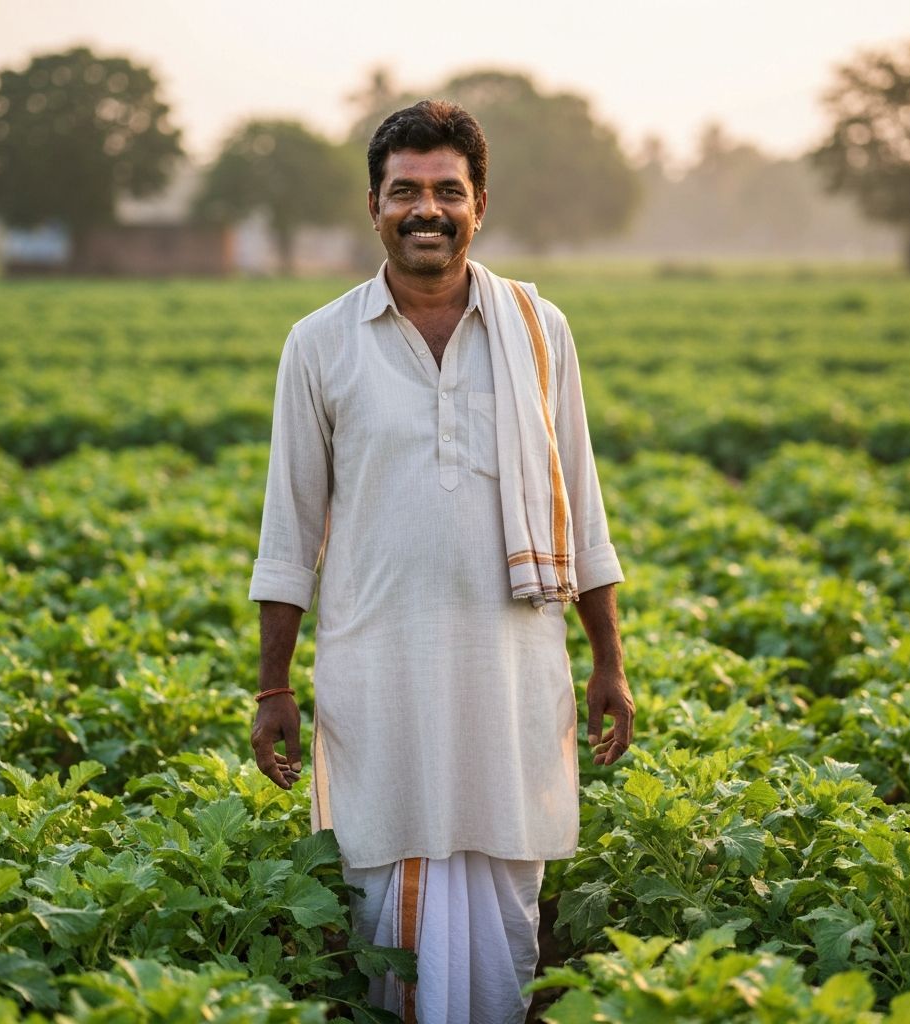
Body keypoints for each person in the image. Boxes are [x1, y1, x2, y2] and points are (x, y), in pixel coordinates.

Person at [248, 99, 634, 1024]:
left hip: (511, 673)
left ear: (480, 204)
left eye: (447, 191)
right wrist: (272, 687)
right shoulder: (320, 343)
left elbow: (581, 506)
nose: (428, 209)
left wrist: (610, 660)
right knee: (387, 893)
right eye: (405, 192)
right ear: (373, 206)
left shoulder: (541, 332)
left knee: (507, 886)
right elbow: (289, 532)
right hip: (380, 672)